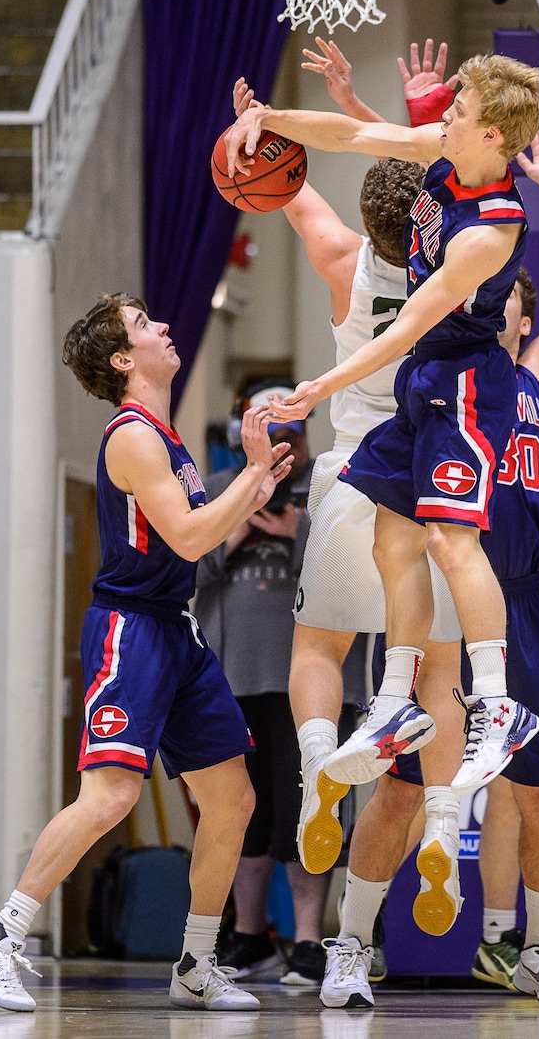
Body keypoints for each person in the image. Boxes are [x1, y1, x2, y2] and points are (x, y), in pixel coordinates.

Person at [319, 116, 539, 1010]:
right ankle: (351, 944)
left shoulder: (537, 378)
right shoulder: (446, 379)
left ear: (519, 313)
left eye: (516, 293)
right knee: (400, 794)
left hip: (523, 601)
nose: (508, 298)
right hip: (448, 600)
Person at [0, 293, 296, 1014]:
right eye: (145, 325)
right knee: (110, 796)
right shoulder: (134, 437)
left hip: (178, 629)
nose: (164, 327)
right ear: (121, 359)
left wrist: (256, 475)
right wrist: (250, 475)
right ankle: (1, 935)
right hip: (131, 630)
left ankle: (197, 963)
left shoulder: (166, 439)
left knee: (232, 800)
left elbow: (204, 527)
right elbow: (194, 538)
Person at [226, 49, 539, 797]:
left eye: (459, 111)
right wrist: (266, 119)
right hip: (421, 382)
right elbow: (348, 136)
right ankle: (396, 703)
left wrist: (318, 387)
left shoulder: (491, 232)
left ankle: (497, 704)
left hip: (467, 384)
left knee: (450, 538)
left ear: (493, 137)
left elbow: (410, 324)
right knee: (391, 531)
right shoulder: (446, 152)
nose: (445, 115)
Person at [233, 53, 466, 972]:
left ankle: (318, 768)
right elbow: (448, 181)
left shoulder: (342, 261)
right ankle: (443, 818)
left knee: (319, 650)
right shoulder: (464, 275)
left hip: (350, 478)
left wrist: (269, 125)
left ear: (370, 223)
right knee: (440, 673)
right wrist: (404, 113)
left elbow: (291, 192)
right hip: (435, 488)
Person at [193, 380, 366, 985]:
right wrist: (242, 525)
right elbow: (192, 565)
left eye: (291, 426)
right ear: (248, 428)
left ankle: (309, 940)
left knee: (310, 811)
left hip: (318, 684)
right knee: (246, 812)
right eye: (268, 424)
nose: (281, 437)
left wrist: (296, 538)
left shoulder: (333, 492)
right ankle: (246, 935)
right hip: (233, 676)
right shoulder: (218, 492)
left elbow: (357, 577)